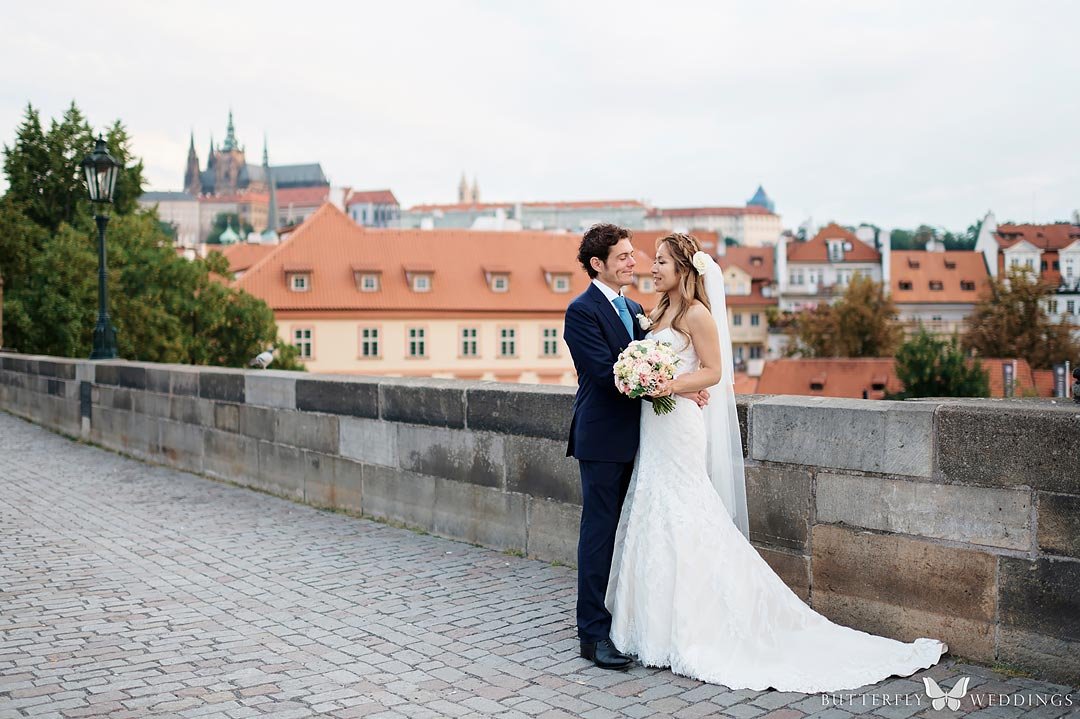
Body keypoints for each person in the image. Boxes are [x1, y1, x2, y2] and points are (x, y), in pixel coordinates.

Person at [603, 232, 949, 692]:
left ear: (684, 269)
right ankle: (649, 624)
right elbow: (662, 356)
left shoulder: (698, 314)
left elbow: (713, 372)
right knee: (652, 505)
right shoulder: (660, 310)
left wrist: (671, 385)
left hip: (680, 421)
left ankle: (696, 623)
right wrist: (648, 374)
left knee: (686, 509)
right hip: (655, 424)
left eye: (662, 261)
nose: (653, 267)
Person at [563, 224, 708, 671]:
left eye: (632, 254)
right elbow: (611, 377)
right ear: (597, 264)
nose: (633, 262)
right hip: (603, 438)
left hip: (647, 438)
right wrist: (675, 390)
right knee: (600, 532)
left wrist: (677, 384)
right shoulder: (581, 311)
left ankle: (632, 622)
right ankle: (592, 634)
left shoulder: (635, 307)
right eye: (623, 256)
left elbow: (655, 360)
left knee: (636, 531)